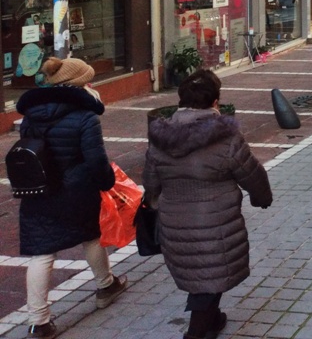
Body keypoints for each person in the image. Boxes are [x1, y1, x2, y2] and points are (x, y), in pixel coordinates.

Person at [145, 69, 272, 339]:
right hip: (216, 223)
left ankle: (213, 321)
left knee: (202, 275)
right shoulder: (226, 138)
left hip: (174, 223)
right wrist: (262, 198)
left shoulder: (160, 139)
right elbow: (251, 174)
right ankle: (195, 333)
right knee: (210, 275)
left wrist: (160, 204)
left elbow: (151, 184)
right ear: (215, 102)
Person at [16, 57, 129, 338]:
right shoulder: (85, 116)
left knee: (42, 251)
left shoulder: (31, 113)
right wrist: (107, 182)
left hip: (39, 190)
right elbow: (96, 159)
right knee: (90, 235)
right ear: (81, 83)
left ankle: (38, 322)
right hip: (76, 190)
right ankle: (105, 285)